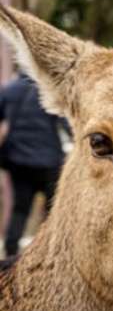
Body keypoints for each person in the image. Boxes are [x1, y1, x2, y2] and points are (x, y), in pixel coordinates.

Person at [0, 74, 68, 257]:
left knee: (20, 209)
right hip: (49, 161)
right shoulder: (48, 92)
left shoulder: (9, 90)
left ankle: (10, 251)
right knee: (51, 211)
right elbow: (66, 125)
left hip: (18, 161)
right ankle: (47, 254)